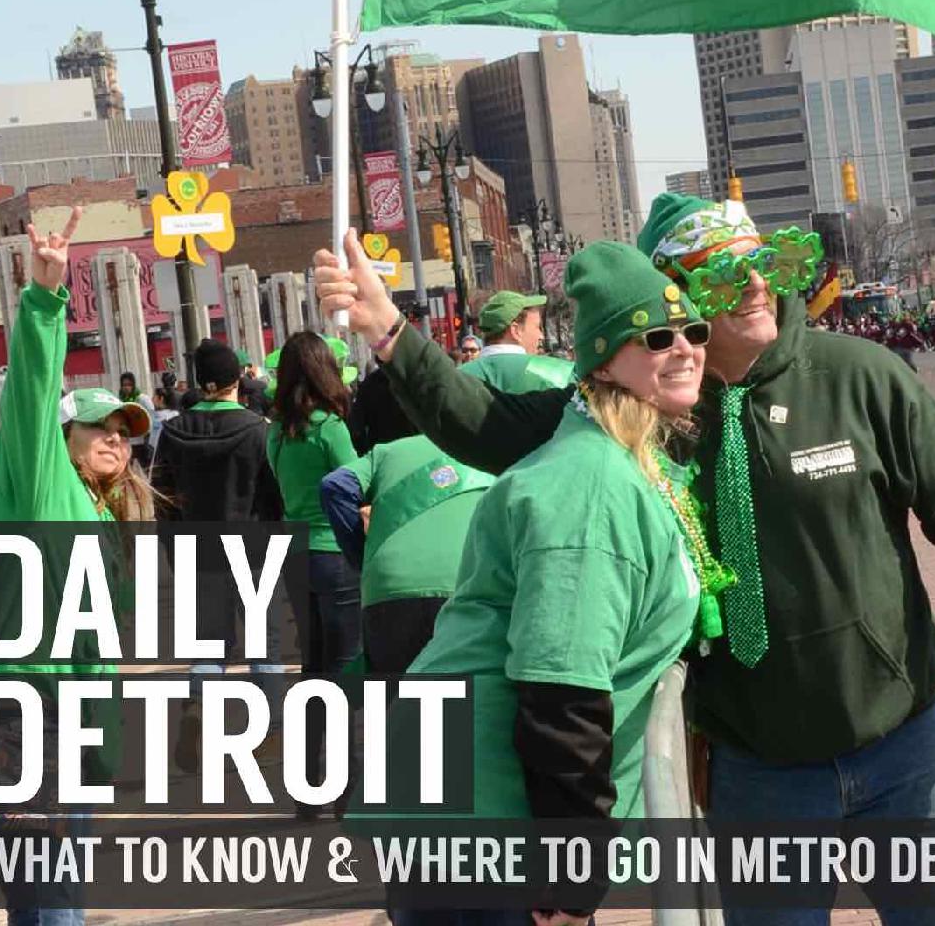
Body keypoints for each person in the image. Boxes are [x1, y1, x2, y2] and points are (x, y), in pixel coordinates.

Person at [317, 194, 935, 926]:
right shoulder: (646, 410)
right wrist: (390, 333)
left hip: (902, 746)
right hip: (757, 770)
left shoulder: (858, 377)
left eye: (760, 262)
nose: (751, 285)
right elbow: (480, 423)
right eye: (716, 275)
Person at [329, 240, 709, 923]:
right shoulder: (592, 485)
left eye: (693, 331)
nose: (683, 348)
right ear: (602, 360)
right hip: (483, 821)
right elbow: (561, 689)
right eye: (656, 336)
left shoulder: (625, 458)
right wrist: (572, 877)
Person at [0, 207, 156, 923]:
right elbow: (33, 395)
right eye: (98, 429)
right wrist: (45, 300)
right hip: (21, 716)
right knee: (50, 905)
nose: (115, 440)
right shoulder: (32, 478)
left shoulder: (100, 514)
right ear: (61, 436)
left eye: (125, 432)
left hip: (65, 725)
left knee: (51, 899)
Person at [321, 342, 574, 679]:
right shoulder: (514, 457)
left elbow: (335, 486)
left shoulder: (388, 451)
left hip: (386, 589)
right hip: (465, 587)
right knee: (463, 712)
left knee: (400, 715)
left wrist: (362, 556)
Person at [151, 338, 285, 770]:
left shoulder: (172, 431)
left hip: (196, 549)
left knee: (208, 643)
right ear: (236, 380)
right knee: (263, 643)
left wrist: (174, 548)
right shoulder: (257, 429)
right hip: (252, 548)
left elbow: (161, 496)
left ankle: (199, 707)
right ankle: (273, 727)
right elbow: (274, 498)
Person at [265, 330, 362, 812]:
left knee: (311, 671)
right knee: (342, 671)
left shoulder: (277, 433)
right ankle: (345, 790)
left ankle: (307, 787)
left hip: (295, 555)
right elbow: (354, 486)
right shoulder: (330, 428)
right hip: (334, 552)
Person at [476, 289, 547, 357]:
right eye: (537, 327)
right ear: (516, 331)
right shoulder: (538, 368)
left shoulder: (466, 368)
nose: (541, 336)